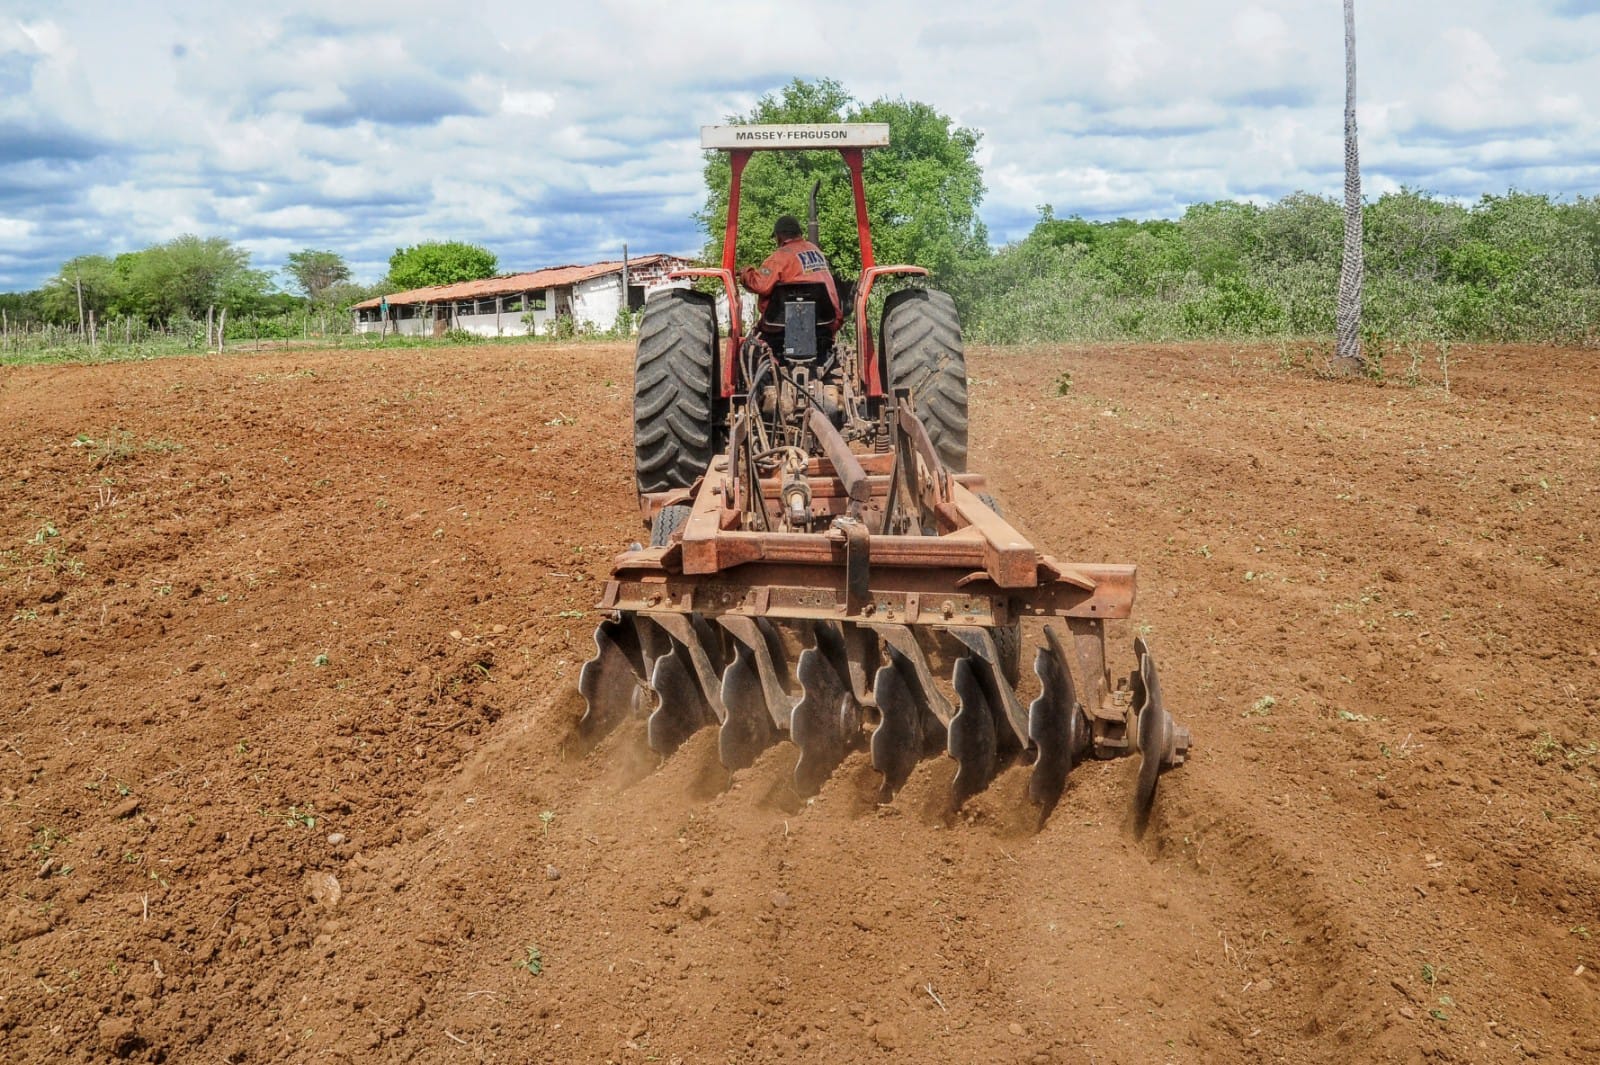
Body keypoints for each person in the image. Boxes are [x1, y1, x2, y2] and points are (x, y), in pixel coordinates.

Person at [739, 215, 842, 330]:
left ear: (779, 236)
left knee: (755, 340)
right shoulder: (815, 250)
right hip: (827, 320)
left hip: (786, 325)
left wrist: (745, 273)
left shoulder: (780, 257)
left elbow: (760, 285)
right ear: (799, 233)